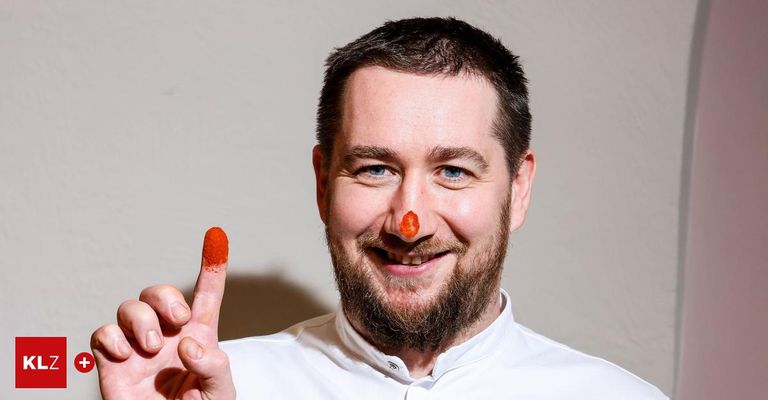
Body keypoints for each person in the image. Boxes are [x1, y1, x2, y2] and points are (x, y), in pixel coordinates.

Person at [90, 17, 668, 399]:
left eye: (453, 171)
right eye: (375, 169)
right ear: (322, 185)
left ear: (517, 190)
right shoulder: (211, 385)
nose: (407, 222)